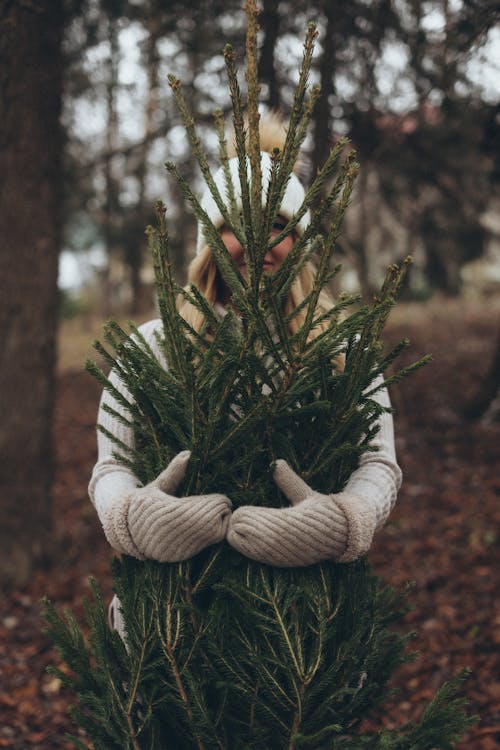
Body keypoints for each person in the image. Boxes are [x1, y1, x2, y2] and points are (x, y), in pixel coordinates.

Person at [88, 118, 402, 627]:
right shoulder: (154, 347)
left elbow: (379, 463)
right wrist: (131, 516)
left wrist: (344, 521)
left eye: (278, 225)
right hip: (171, 633)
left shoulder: (343, 349)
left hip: (305, 637)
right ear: (209, 241)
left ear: (299, 243)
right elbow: (111, 467)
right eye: (238, 224)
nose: (259, 243)